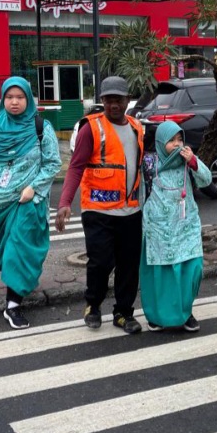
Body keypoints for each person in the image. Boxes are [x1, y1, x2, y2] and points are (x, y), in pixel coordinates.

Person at [0, 77, 62, 330]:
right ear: (3, 100)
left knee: (19, 248)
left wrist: (34, 187)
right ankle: (21, 281)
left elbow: (52, 163)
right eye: (9, 97)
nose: (14, 102)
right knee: (16, 251)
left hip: (27, 200)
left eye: (20, 97)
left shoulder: (41, 127)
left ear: (28, 100)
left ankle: (13, 306)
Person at [55, 76, 144, 334]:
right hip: (98, 210)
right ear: (102, 101)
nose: (113, 104)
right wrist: (64, 203)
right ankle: (93, 305)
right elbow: (75, 168)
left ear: (127, 100)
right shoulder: (91, 128)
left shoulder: (137, 128)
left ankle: (123, 313)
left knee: (129, 265)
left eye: (118, 99)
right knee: (101, 262)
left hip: (130, 211)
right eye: (108, 100)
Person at [140, 121, 212, 333]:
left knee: (193, 268)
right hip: (159, 230)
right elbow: (140, 193)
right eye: (171, 140)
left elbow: (207, 180)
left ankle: (185, 311)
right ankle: (156, 316)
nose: (177, 144)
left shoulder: (186, 162)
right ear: (161, 142)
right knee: (161, 275)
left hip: (186, 226)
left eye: (180, 139)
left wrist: (194, 162)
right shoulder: (150, 163)